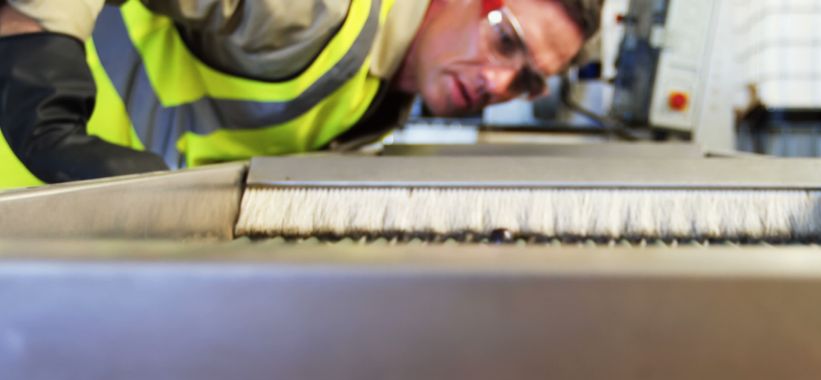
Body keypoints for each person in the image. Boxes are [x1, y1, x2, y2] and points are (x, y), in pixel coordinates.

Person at [0, 0, 600, 189]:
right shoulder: (325, 8)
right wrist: (40, 98)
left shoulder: (380, 100)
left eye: (526, 79)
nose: (499, 83)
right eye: (505, 39)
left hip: (55, 243)